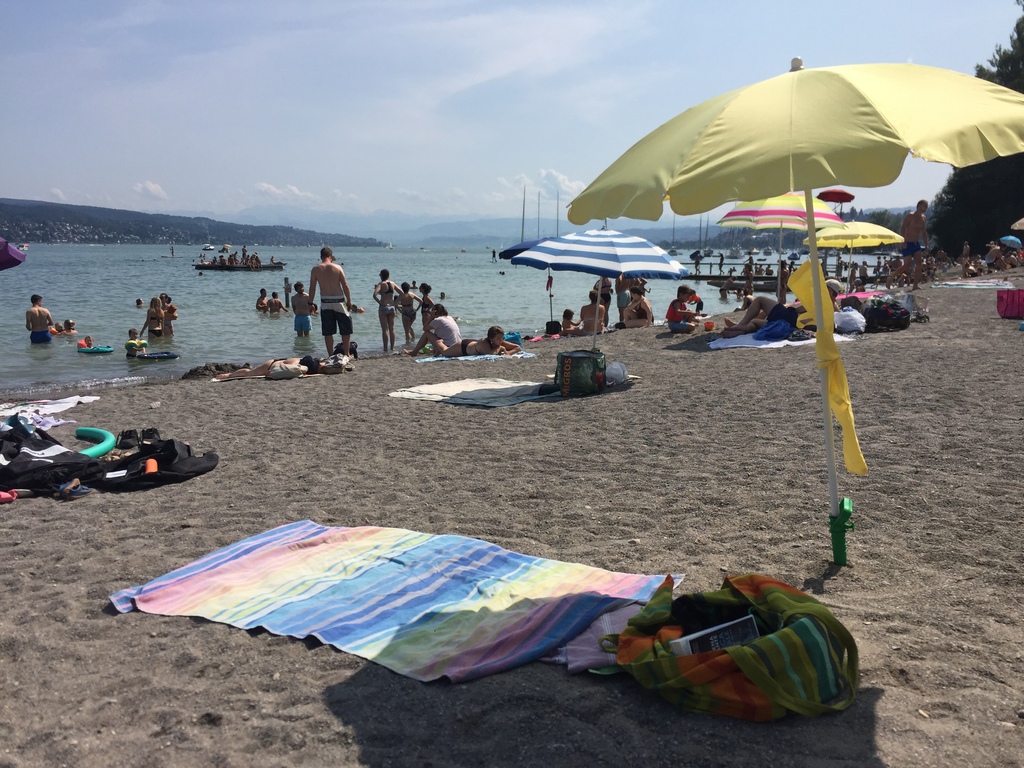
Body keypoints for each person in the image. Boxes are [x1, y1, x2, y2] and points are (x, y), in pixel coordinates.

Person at [721, 278, 843, 338]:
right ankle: (741, 329)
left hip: (790, 318)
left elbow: (799, 310)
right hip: (791, 323)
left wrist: (791, 307)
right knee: (757, 320)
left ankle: (741, 325)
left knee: (760, 300)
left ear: (828, 290)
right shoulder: (831, 305)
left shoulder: (821, 300)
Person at [308, 246, 355, 358]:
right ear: (330, 256)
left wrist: (310, 303)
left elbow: (312, 288)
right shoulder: (337, 268)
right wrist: (349, 301)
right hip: (339, 300)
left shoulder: (315, 269)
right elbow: (345, 285)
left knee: (328, 331)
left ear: (321, 257)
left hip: (325, 301)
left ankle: (330, 355)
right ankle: (347, 354)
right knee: (345, 329)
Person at [900, 199, 929, 290]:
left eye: (925, 207)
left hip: (916, 243)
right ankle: (891, 278)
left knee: (919, 264)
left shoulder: (923, 218)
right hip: (907, 242)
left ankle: (915, 285)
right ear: (918, 206)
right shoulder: (910, 216)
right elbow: (903, 228)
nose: (924, 208)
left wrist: (926, 244)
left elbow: (923, 232)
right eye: (923, 206)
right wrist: (903, 241)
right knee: (906, 265)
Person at [440, 326, 521, 358]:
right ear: (491, 338)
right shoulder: (484, 343)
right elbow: (491, 355)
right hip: (463, 347)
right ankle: (439, 341)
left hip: (473, 344)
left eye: (502, 338)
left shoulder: (499, 342)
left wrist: (508, 353)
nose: (501, 340)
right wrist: (501, 348)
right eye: (498, 338)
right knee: (444, 352)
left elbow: (518, 348)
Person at [373, 269, 400, 353]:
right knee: (392, 328)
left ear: (382, 275)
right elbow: (402, 293)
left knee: (385, 329)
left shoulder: (381, 284)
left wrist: (380, 302)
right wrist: (395, 303)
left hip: (383, 307)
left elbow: (374, 295)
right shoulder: (392, 283)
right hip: (391, 307)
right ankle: (392, 348)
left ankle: (385, 348)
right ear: (388, 275)